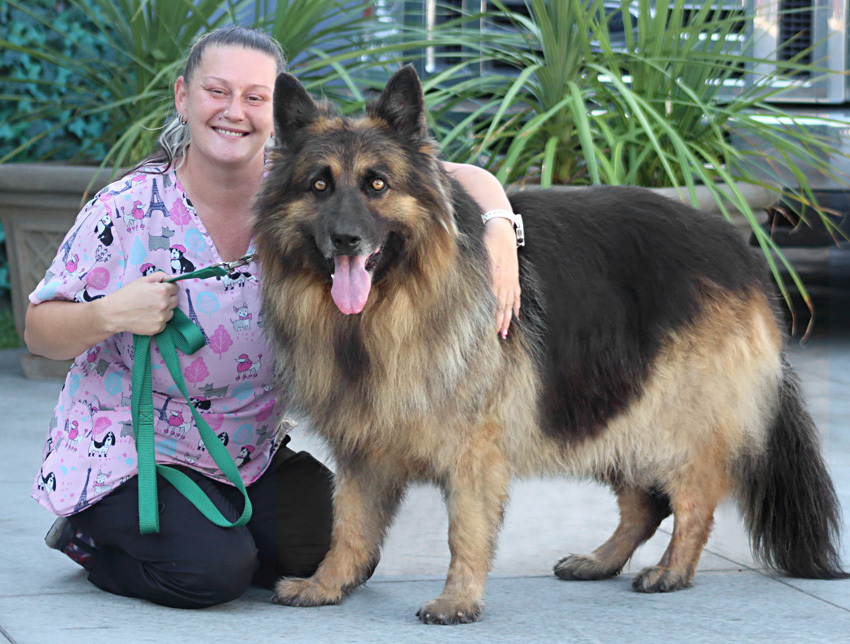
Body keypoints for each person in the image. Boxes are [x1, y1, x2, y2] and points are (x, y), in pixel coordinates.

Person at [26, 25, 524, 609]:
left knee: (338, 556)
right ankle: (94, 540)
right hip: (137, 450)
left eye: (254, 97)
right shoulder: (127, 209)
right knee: (212, 574)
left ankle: (207, 532)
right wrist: (110, 314)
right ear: (184, 97)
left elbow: (442, 174)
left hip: (245, 452)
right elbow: (38, 330)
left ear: (273, 114)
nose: (234, 112)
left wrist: (499, 228)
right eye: (217, 92)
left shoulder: (297, 177)